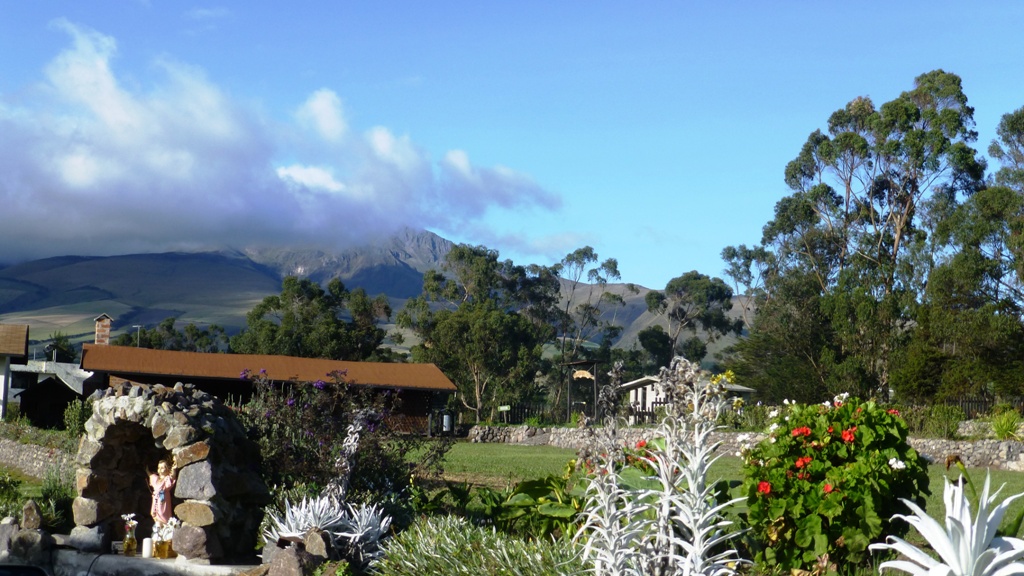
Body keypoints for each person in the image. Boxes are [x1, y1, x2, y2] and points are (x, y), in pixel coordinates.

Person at [149, 458, 176, 526]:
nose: (160, 469)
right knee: (154, 513)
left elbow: (172, 477)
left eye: (162, 467)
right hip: (155, 498)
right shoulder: (156, 479)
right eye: (159, 467)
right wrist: (146, 470)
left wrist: (174, 470)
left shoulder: (167, 479)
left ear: (167, 469)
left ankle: (165, 526)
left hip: (162, 496)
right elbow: (150, 476)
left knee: (162, 512)